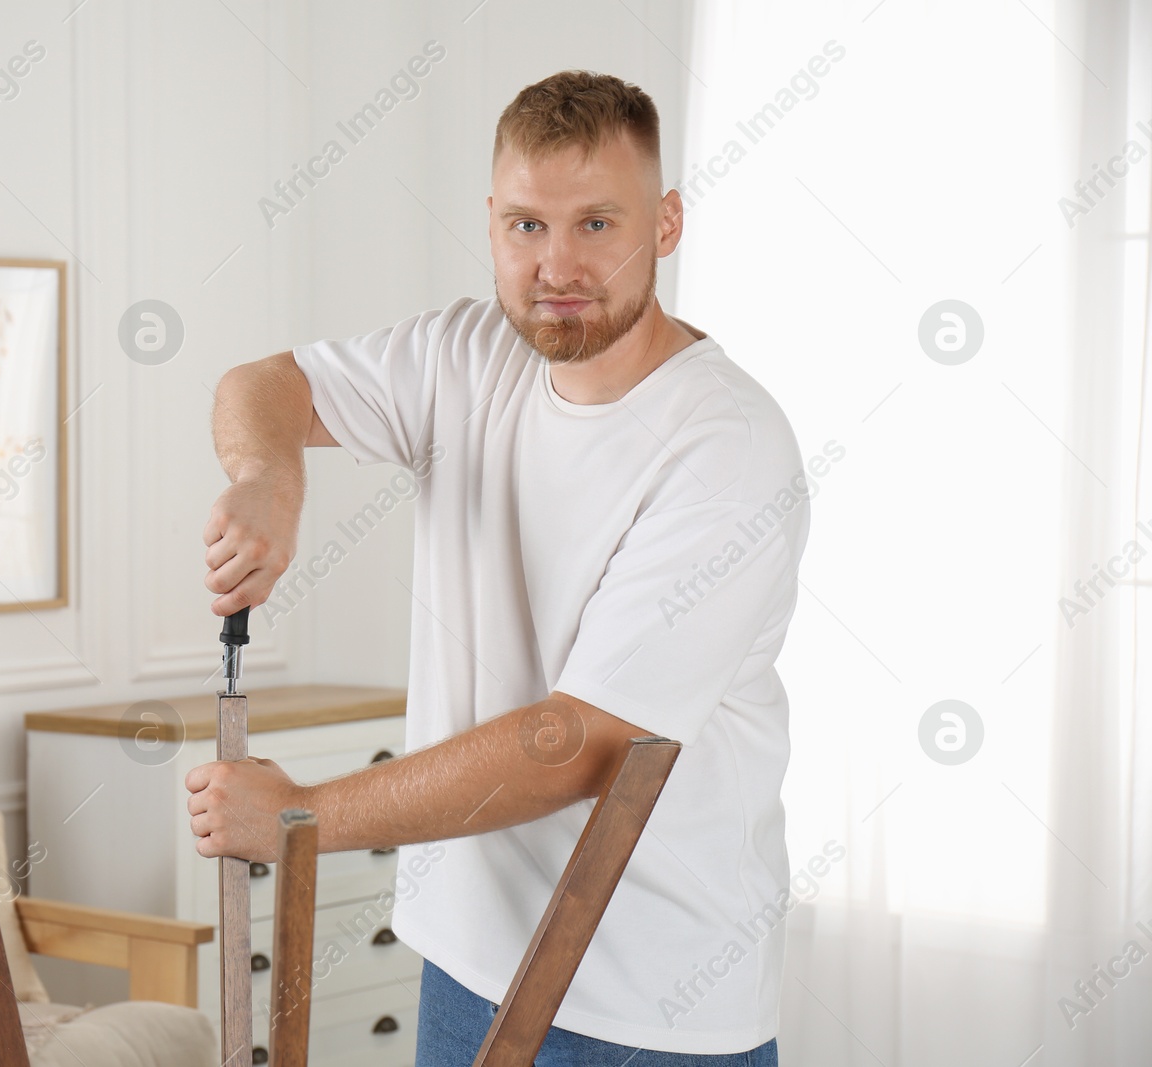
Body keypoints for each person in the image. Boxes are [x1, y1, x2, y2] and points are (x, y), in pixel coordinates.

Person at [185, 69, 809, 1066]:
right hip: (466, 963)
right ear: (489, 222)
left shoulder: (724, 445)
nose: (557, 264)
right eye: (526, 225)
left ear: (666, 222)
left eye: (596, 224)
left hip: (644, 1004)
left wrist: (302, 817)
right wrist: (270, 474)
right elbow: (263, 383)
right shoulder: (466, 354)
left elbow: (577, 742)